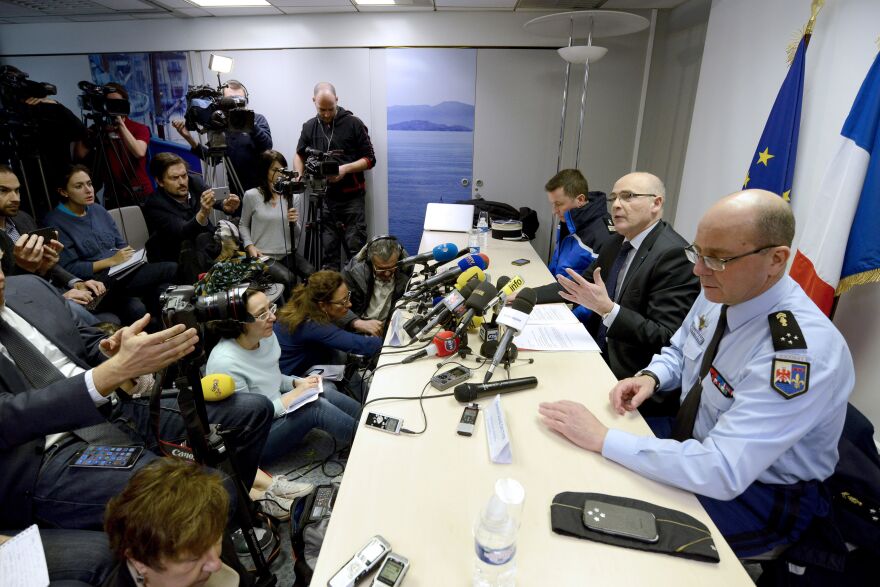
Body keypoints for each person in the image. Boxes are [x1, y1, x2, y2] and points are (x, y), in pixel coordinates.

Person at [538, 190, 855, 559]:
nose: (698, 270)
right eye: (697, 252)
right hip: (691, 439)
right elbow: (680, 348)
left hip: (757, 491)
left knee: (612, 536)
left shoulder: (797, 355)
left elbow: (721, 469)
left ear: (776, 259)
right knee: (572, 465)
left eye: (718, 259)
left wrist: (604, 438)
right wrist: (652, 377)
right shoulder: (721, 287)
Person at [0, 265, 274, 532]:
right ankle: (216, 531)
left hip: (112, 408)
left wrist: (115, 351)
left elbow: (87, 342)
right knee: (201, 491)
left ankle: (225, 525)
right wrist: (111, 372)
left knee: (252, 412)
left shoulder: (30, 286)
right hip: (46, 452)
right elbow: (7, 417)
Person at [534, 172, 700, 391]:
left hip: (630, 376)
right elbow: (578, 285)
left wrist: (608, 310)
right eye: (614, 198)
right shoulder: (617, 242)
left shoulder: (673, 254)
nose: (617, 205)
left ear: (656, 203)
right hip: (594, 353)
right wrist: (528, 296)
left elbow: (665, 336)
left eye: (628, 196)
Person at [206, 286, 360, 467]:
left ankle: (369, 420)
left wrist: (296, 382)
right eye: (262, 314)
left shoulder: (264, 336)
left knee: (322, 388)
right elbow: (247, 422)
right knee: (314, 407)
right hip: (254, 441)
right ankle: (370, 440)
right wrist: (294, 395)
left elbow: (271, 378)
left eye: (271, 308)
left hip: (276, 410)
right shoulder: (225, 363)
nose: (272, 317)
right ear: (238, 323)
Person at [44, 165, 176, 327]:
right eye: (79, 186)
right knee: (171, 268)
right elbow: (70, 268)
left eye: (90, 184)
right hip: (96, 282)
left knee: (158, 292)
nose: (88, 190)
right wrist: (111, 261)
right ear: (64, 192)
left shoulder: (98, 210)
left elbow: (120, 245)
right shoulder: (55, 222)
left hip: (122, 272)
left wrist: (131, 257)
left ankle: (166, 330)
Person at [0, 164, 111, 325]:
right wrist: (58, 298)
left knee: (127, 303)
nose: (15, 198)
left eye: (17, 190)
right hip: (26, 308)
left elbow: (49, 264)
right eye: (3, 190)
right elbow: (8, 291)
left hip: (53, 289)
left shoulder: (22, 219)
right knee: (102, 320)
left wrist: (76, 282)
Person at [102, 459, 239, 587]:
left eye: (217, 540)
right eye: (193, 558)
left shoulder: (206, 529)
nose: (216, 564)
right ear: (138, 562)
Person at [295, 82, 376, 269]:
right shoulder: (309, 127)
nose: (326, 114)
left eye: (330, 109)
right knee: (328, 255)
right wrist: (299, 175)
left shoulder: (354, 123)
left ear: (337, 100)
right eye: (321, 109)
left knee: (356, 255)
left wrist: (344, 169)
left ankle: (355, 297)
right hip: (324, 198)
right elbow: (299, 153)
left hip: (352, 200)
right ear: (313, 101)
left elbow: (370, 160)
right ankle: (332, 297)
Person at [274, 270, 382, 399]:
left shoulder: (305, 304)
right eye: (343, 302)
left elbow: (338, 311)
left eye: (348, 296)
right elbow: (362, 346)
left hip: (309, 362)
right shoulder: (311, 325)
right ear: (323, 305)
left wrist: (356, 322)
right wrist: (395, 339)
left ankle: (366, 400)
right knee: (330, 387)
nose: (349, 304)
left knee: (344, 361)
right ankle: (361, 413)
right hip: (292, 378)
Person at [1, 66, 87, 221]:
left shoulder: (48, 109)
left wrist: (54, 105)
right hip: (27, 192)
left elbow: (80, 131)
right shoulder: (6, 119)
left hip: (58, 186)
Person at [143, 152, 240, 281]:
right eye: (174, 178)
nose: (182, 182)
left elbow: (215, 200)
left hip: (205, 248)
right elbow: (183, 232)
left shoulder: (195, 181)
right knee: (196, 241)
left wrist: (225, 205)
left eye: (184, 175)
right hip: (179, 257)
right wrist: (203, 213)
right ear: (160, 181)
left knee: (238, 223)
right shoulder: (154, 205)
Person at [172, 79, 273, 195]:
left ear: (246, 100)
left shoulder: (257, 119)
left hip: (262, 188)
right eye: (231, 101)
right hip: (237, 191)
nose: (236, 104)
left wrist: (248, 122)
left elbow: (267, 147)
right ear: (222, 103)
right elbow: (213, 159)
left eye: (240, 100)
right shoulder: (220, 124)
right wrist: (188, 138)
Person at [239, 150, 314, 293]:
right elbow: (243, 224)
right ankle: (289, 313)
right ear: (265, 171)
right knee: (288, 278)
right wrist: (249, 246)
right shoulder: (252, 195)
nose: (280, 174)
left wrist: (294, 222)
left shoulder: (291, 196)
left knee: (311, 273)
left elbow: (297, 233)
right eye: (275, 170)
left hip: (287, 253)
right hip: (264, 255)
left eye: (283, 170)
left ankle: (305, 308)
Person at [76, 82, 153, 207]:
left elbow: (139, 152)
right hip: (113, 195)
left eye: (116, 103)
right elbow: (80, 154)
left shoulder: (139, 128)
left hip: (140, 193)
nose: (112, 107)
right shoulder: (98, 129)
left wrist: (120, 125)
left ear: (125, 104)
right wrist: (86, 130)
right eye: (108, 103)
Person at [545, 169, 614, 279]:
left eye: (558, 204)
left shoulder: (604, 236)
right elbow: (557, 263)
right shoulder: (568, 219)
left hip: (569, 294)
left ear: (580, 200)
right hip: (555, 288)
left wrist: (541, 294)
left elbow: (588, 285)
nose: (554, 211)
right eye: (553, 204)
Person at [341, 235, 413, 337]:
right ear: (370, 261)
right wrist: (356, 322)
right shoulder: (352, 273)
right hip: (359, 330)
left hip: (390, 330)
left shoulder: (406, 270)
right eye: (381, 269)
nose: (387, 274)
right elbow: (334, 306)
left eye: (392, 267)